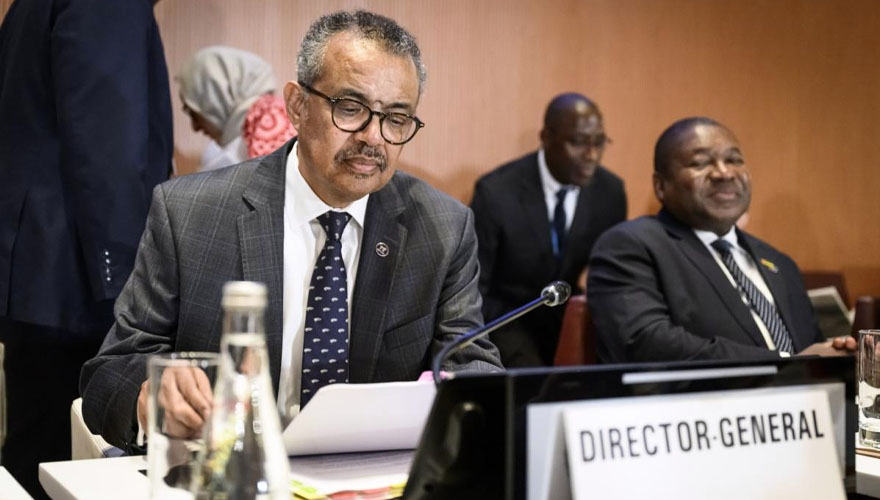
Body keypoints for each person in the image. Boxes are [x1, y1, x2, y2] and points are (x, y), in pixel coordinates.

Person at [80, 10, 502, 451]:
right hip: (228, 465)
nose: (373, 137)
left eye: (396, 118)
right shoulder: (189, 213)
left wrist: (480, 409)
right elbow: (110, 371)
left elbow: (471, 364)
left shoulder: (442, 227)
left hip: (370, 472)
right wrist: (151, 395)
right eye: (351, 108)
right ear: (297, 105)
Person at [0, 0, 173, 496]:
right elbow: (108, 149)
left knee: (35, 447)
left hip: (44, 270)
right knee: (60, 464)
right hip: (77, 274)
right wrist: (131, 285)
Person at [587, 117, 855, 363]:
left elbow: (812, 349)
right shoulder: (631, 246)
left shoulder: (779, 263)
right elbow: (647, 344)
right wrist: (786, 363)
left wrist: (840, 357)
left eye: (734, 160)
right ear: (661, 186)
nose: (724, 173)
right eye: (701, 163)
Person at [471, 94, 626, 367]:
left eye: (599, 143)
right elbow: (474, 290)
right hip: (507, 317)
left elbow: (612, 278)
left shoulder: (610, 193)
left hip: (567, 317)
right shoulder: (496, 192)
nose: (591, 155)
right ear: (546, 137)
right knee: (532, 380)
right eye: (578, 142)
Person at [176, 46, 297, 171]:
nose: (195, 127)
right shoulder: (280, 115)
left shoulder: (265, 127)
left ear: (215, 98)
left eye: (193, 113)